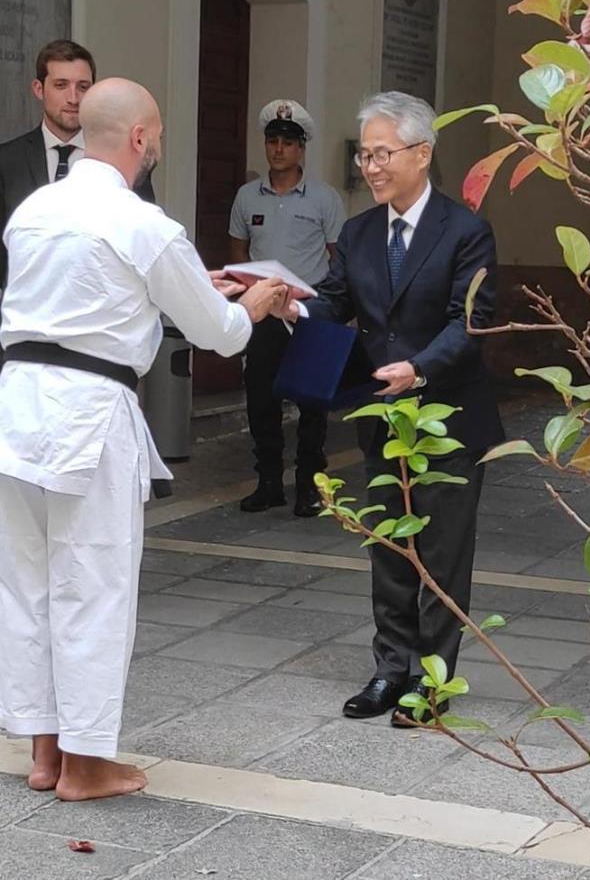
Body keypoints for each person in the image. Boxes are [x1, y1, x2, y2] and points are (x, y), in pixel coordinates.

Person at [0, 77, 285, 801]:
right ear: (138, 139)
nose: (156, 145)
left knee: (26, 584)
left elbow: (95, 291)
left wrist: (194, 280)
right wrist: (252, 300)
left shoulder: (34, 209)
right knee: (92, 583)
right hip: (88, 414)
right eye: (155, 134)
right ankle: (88, 764)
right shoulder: (143, 223)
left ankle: (44, 750)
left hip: (16, 407)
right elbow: (216, 332)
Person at [273, 91, 504, 725]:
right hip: (382, 414)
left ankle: (432, 681)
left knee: (441, 552)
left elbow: (471, 321)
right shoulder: (358, 232)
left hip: (447, 420)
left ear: (422, 153)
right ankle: (389, 668)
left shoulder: (466, 232)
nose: (371, 167)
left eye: (382, 154)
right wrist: (288, 305)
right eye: (365, 156)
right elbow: (333, 301)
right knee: (389, 545)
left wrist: (421, 366)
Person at [228, 99, 346, 517]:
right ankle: (269, 482)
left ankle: (310, 486)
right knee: (261, 398)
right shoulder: (247, 197)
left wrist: (328, 306)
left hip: (308, 312)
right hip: (264, 312)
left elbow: (338, 258)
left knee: (313, 404)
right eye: (272, 141)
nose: (278, 149)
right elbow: (239, 250)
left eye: (287, 143)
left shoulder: (324, 199)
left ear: (301, 149)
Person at [0, 39, 154, 293]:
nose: (73, 98)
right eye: (61, 85)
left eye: (83, 87)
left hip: (102, 313)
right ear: (39, 89)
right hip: (24, 317)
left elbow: (144, 238)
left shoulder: (124, 160)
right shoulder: (7, 161)